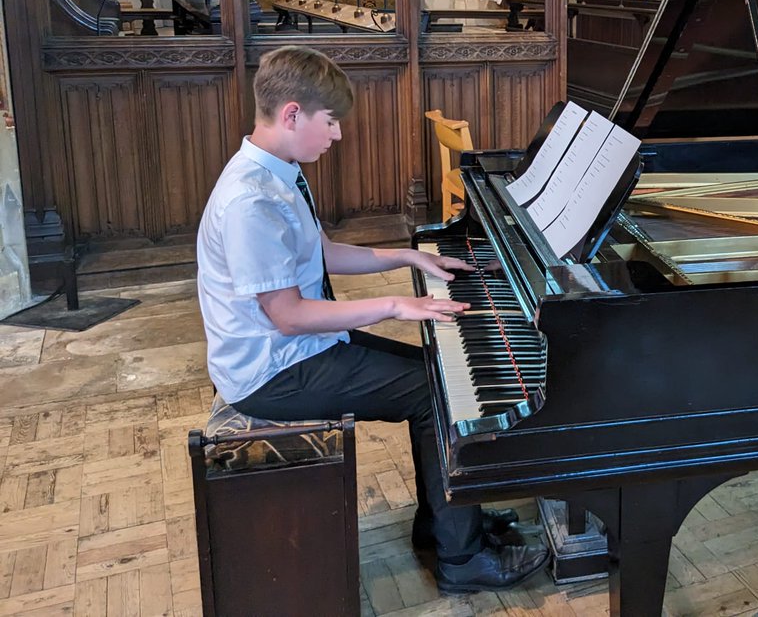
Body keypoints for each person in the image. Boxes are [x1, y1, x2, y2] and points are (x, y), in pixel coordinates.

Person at [196, 45, 547, 592]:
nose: (336, 135)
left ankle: (445, 521)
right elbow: (287, 316)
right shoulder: (251, 201)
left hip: (297, 352)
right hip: (270, 373)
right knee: (437, 394)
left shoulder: (278, 172)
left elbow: (324, 254)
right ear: (292, 114)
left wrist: (408, 256)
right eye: (330, 121)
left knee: (434, 373)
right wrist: (393, 305)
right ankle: (463, 560)